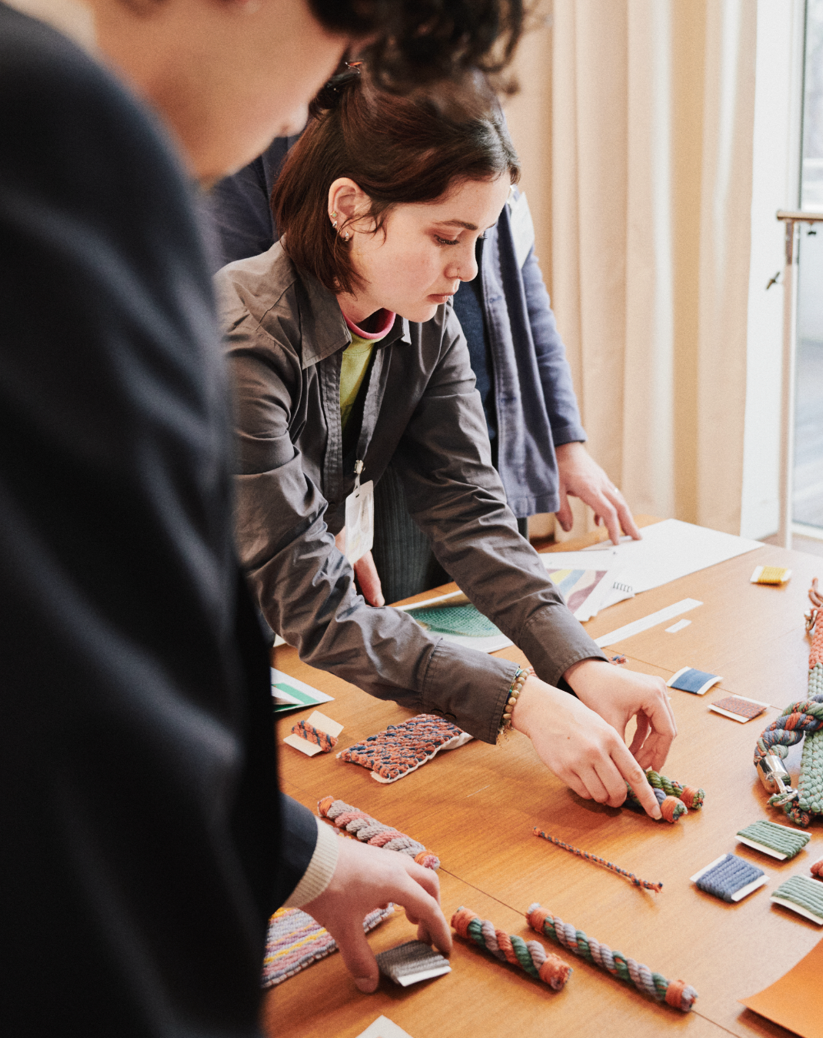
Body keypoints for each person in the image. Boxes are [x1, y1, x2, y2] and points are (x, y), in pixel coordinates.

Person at [1, 0, 527, 1028]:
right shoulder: (60, 129)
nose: (300, 111)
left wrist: (308, 859)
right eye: (335, 37)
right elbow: (93, 706)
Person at [218, 71, 677, 825]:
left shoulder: (423, 325)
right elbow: (317, 605)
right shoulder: (243, 336)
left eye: (477, 241)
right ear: (349, 209)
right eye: (445, 238)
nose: (464, 270)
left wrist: (579, 662)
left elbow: (472, 515)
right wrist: (521, 702)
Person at [210, 121, 638, 607]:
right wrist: (309, 514)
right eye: (445, 237)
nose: (467, 268)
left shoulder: (437, 322)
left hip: (457, 396)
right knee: (371, 610)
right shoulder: (284, 123)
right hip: (353, 435)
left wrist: (562, 436)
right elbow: (260, 329)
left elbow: (522, 280)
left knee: (469, 595)